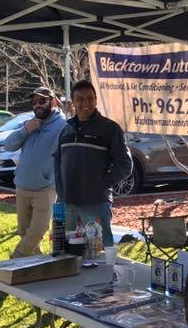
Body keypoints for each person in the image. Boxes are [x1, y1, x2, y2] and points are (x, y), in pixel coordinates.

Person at [54, 79, 132, 247]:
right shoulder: (66, 129)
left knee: (99, 254)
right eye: (80, 99)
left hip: (96, 203)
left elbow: (125, 164)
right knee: (67, 253)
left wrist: (102, 184)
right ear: (73, 102)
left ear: (96, 100)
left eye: (90, 98)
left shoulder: (110, 129)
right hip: (67, 203)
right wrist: (60, 189)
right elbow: (57, 160)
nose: (85, 103)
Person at [4, 87, 66, 257]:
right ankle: (35, 266)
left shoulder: (62, 125)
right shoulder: (30, 123)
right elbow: (8, 145)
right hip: (22, 186)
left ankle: (15, 259)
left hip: (45, 188)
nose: (37, 105)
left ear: (52, 101)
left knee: (38, 231)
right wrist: (25, 130)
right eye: (34, 102)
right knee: (25, 232)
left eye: (42, 101)